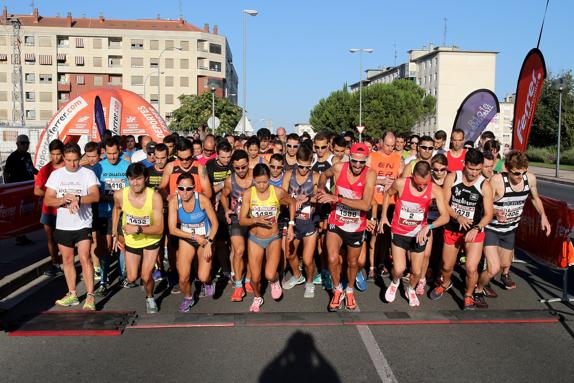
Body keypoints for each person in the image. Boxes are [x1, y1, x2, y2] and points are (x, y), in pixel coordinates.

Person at [479, 151, 551, 299]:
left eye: (523, 173)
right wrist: (495, 212)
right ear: (506, 168)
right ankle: (478, 289)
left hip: (510, 230)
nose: (520, 177)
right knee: (493, 268)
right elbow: (484, 207)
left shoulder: (529, 178)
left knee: (505, 264)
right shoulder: (497, 181)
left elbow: (535, 198)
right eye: (516, 173)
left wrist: (543, 216)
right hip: (492, 229)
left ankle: (486, 279)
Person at [430, 149, 494, 310]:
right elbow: (444, 204)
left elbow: (488, 215)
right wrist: (458, 217)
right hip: (452, 228)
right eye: (471, 169)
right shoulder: (453, 177)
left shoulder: (484, 185)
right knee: (446, 266)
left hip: (474, 231)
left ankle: (468, 295)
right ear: (464, 164)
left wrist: (477, 228)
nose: (474, 173)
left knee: (471, 267)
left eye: (478, 170)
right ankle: (445, 283)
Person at [317, 143, 376, 311]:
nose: (357, 165)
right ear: (349, 158)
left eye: (362, 162)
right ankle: (338, 290)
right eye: (354, 161)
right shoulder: (337, 167)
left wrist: (338, 199)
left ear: (366, 161)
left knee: (352, 263)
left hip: (356, 225)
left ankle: (349, 290)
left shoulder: (370, 175)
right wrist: (321, 189)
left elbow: (365, 205)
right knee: (332, 258)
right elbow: (323, 174)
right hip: (337, 220)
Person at [381, 161, 449, 307]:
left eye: (425, 183)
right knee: (399, 269)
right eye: (418, 183)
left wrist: (428, 227)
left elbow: (445, 217)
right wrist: (383, 217)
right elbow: (387, 194)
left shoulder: (435, 189)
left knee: (417, 272)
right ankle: (394, 282)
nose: (421, 187)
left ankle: (410, 289)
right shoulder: (400, 184)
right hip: (399, 231)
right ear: (412, 176)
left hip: (419, 233)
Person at [44, 143, 100, 310]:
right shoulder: (56, 175)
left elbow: (95, 196)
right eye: (69, 160)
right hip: (63, 225)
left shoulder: (87, 173)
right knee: (67, 260)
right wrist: (63, 200)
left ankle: (90, 296)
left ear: (79, 157)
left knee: (85, 258)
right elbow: (48, 200)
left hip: (83, 223)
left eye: (75, 160)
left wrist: (78, 199)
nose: (73, 164)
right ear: (63, 158)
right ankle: (73, 294)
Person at [239, 163, 295, 312]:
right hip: (255, 239)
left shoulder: (277, 192)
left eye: (265, 181)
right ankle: (258, 297)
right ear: (253, 180)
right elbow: (242, 220)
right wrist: (256, 220)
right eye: (258, 182)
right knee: (255, 279)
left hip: (273, 238)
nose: (262, 185)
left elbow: (292, 202)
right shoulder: (249, 194)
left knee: (269, 274)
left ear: (269, 179)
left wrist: (291, 224)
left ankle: (275, 281)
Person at [112, 163, 164, 313]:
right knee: (132, 277)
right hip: (132, 240)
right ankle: (145, 279)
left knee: (146, 275)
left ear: (145, 178)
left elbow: (159, 228)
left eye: (139, 179)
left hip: (151, 239)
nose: (135, 183)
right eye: (132, 179)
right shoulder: (119, 195)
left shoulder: (154, 197)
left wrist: (138, 228)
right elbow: (116, 209)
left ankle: (150, 298)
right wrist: (115, 232)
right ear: (128, 179)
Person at [168, 173, 219, 312]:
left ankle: (208, 282)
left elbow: (215, 224)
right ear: (177, 188)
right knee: (183, 278)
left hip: (206, 238)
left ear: (194, 188)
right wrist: (194, 236)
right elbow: (172, 229)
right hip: (188, 238)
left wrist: (209, 242)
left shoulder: (202, 200)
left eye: (189, 188)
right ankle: (188, 298)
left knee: (203, 276)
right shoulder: (174, 201)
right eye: (181, 188)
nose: (185, 192)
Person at [92, 137, 130, 295]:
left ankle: (123, 276)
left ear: (119, 151)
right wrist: (112, 197)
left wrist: (118, 199)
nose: (112, 157)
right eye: (109, 154)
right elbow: (95, 194)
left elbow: (130, 192)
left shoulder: (127, 166)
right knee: (106, 247)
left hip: (123, 212)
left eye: (115, 153)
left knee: (122, 245)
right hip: (104, 213)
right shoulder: (98, 168)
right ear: (104, 152)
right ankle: (104, 279)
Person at [282, 145, 321, 298]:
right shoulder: (289, 175)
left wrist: (306, 198)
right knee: (290, 255)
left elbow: (321, 196)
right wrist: (292, 201)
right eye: (301, 166)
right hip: (292, 221)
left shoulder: (316, 176)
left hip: (309, 223)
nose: (304, 170)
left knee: (307, 259)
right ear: (296, 161)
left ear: (311, 163)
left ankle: (310, 282)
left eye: (307, 167)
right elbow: (282, 196)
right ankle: (298, 276)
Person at [368, 132, 404, 280]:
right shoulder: (372, 156)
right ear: (381, 142)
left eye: (392, 145)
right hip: (374, 201)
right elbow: (366, 179)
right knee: (374, 235)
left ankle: (381, 263)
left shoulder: (398, 158)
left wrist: (394, 183)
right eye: (387, 145)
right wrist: (381, 181)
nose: (390, 148)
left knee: (385, 237)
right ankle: (371, 267)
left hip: (391, 203)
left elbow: (401, 181)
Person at [220, 150, 254, 301]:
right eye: (237, 168)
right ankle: (239, 285)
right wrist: (226, 209)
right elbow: (223, 195)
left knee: (252, 252)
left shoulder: (256, 176)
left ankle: (248, 281)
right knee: (239, 251)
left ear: (248, 163)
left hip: (254, 219)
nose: (240, 170)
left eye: (243, 167)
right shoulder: (230, 180)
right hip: (237, 220)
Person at [34, 139, 64, 277]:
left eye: (58, 154)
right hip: (49, 211)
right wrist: (52, 196)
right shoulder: (45, 169)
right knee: (51, 238)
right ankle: (55, 264)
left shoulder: (67, 168)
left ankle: (67, 264)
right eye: (53, 154)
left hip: (65, 212)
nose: (55, 157)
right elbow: (36, 191)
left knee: (64, 240)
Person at [205, 141, 233, 281]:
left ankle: (235, 268)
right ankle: (225, 269)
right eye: (223, 157)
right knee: (221, 240)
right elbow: (208, 190)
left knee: (234, 239)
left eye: (228, 157)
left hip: (232, 205)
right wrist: (224, 184)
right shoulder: (209, 166)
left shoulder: (234, 164)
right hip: (215, 206)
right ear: (217, 154)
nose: (226, 160)